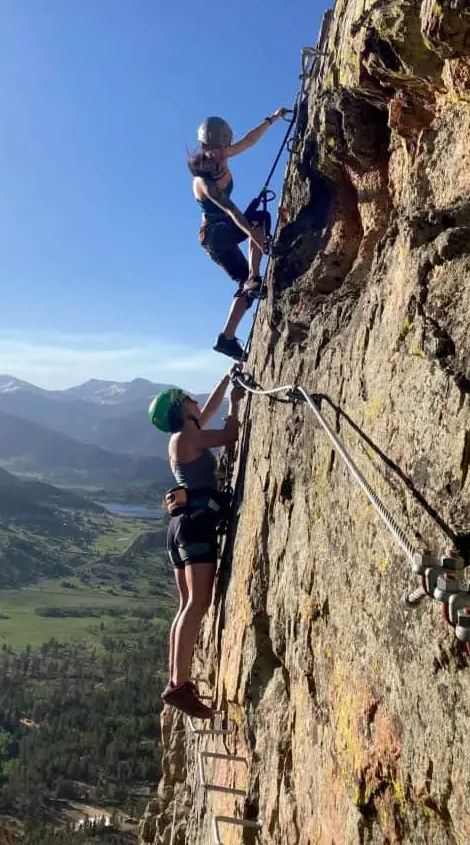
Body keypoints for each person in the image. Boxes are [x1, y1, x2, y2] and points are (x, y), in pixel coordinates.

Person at [147, 369, 245, 719]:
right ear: (180, 408)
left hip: (182, 527)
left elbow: (205, 410)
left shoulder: (184, 433)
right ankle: (178, 684)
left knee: (187, 603)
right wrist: (235, 405)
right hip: (196, 525)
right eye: (187, 397)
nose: (194, 399)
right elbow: (230, 435)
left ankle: (177, 681)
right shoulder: (185, 439)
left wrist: (226, 381)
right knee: (197, 603)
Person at [189, 109, 291, 360]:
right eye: (214, 147)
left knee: (245, 285)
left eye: (223, 147)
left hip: (219, 236)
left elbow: (248, 141)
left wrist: (273, 118)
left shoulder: (223, 156)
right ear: (204, 146)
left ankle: (226, 338)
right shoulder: (204, 181)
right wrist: (260, 240)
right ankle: (255, 277)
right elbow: (232, 211)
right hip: (213, 234)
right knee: (260, 219)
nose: (221, 152)